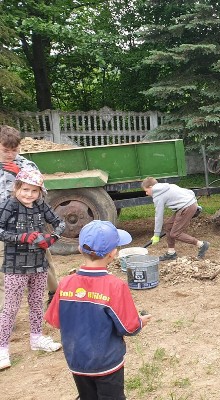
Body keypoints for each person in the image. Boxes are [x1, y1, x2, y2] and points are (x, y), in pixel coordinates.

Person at [45, 220, 151, 399]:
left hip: (77, 361)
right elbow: (129, 327)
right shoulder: (115, 286)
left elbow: (54, 320)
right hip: (106, 363)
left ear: (80, 249)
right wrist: (141, 321)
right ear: (113, 253)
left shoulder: (66, 283)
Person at [0, 168, 65, 370]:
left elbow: (60, 223)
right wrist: (21, 237)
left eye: (34, 191)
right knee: (11, 307)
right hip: (15, 265)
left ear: (40, 192)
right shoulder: (9, 205)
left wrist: (52, 238)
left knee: (36, 302)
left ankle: (36, 338)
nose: (29, 194)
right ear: (17, 187)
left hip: (38, 263)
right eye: (25, 189)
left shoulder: (40, 205)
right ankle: (2, 349)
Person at [0, 125, 59, 311]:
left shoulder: (26, 165)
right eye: (5, 150)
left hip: (28, 222)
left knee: (42, 261)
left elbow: (42, 193)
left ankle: (55, 293)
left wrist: (19, 174)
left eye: (14, 150)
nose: (10, 154)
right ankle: (5, 310)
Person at [141, 177, 209, 261]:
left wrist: (156, 234)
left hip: (186, 208)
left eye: (146, 191)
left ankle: (201, 244)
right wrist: (195, 204)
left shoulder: (158, 195)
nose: (146, 193)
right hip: (187, 206)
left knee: (175, 233)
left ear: (151, 187)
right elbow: (189, 192)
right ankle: (171, 253)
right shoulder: (167, 186)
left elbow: (158, 216)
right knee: (168, 226)